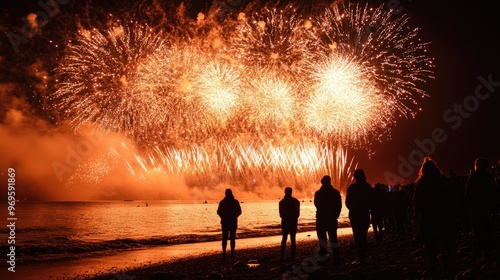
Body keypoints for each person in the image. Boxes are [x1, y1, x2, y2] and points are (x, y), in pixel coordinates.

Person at [413, 157, 458, 279]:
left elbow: (416, 202)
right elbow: (452, 200)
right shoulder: (443, 181)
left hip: (428, 220)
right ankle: (447, 272)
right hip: (444, 219)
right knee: (446, 248)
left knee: (430, 250)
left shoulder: (422, 182)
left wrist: (417, 217)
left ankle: (434, 273)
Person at [465, 158, 498, 261]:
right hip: (486, 208)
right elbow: (494, 193)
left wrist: (468, 205)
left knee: (478, 228)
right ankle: (489, 250)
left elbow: (468, 193)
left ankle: (481, 249)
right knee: (487, 227)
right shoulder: (489, 177)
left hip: (476, 208)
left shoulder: (474, 177)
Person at [345, 169, 372, 265]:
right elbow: (371, 202)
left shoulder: (351, 188)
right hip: (364, 214)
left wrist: (354, 208)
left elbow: (347, 203)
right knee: (363, 237)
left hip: (355, 215)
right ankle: (363, 257)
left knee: (357, 237)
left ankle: (360, 257)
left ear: (354, 176)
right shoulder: (368, 187)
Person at [314, 175, 342, 263]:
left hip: (321, 218)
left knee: (322, 239)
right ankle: (336, 258)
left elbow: (316, 204)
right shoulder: (335, 192)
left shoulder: (318, 193)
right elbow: (339, 205)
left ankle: (323, 257)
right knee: (333, 238)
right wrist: (336, 215)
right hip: (332, 218)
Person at [217, 189, 242, 258]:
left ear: (225, 194)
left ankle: (224, 254)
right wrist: (235, 216)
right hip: (233, 222)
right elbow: (240, 212)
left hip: (225, 222)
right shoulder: (235, 202)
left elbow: (218, 212)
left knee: (224, 238)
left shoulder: (222, 202)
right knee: (232, 238)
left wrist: (222, 217)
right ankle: (232, 254)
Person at [279, 187, 300, 261]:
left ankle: (282, 257)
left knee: (284, 238)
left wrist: (287, 216)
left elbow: (281, 215)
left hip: (285, 222)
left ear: (285, 192)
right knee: (293, 239)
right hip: (293, 222)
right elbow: (297, 214)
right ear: (291, 192)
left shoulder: (281, 202)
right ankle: (292, 257)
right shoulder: (296, 201)